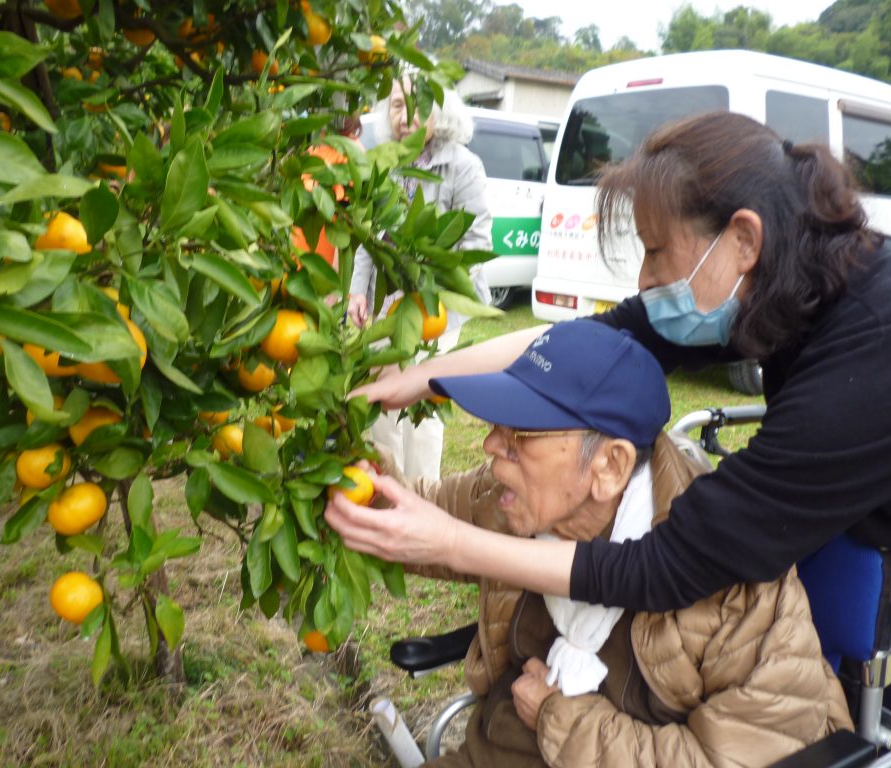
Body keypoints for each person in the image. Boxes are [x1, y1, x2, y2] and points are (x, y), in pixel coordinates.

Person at [333, 110, 891, 616]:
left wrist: (452, 543)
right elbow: (577, 341)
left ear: (743, 239)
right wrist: (419, 379)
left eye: (655, 250)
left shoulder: (867, 355)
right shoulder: (781, 285)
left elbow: (671, 563)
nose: (644, 280)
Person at [333, 321, 850, 767]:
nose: (492, 444)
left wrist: (563, 718)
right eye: (497, 424)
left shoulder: (735, 577)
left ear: (610, 467)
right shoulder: (517, 498)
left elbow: (748, 757)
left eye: (522, 434)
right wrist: (370, 489)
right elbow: (427, 520)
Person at [348, 78, 492, 483]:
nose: (404, 115)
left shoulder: (463, 166)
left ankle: (422, 494)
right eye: (395, 105)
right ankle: (387, 489)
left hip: (436, 307)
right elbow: (368, 240)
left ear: (438, 111)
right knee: (383, 402)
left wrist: (428, 283)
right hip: (387, 303)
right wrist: (358, 291)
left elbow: (475, 245)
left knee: (422, 409)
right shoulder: (384, 162)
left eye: (416, 105)